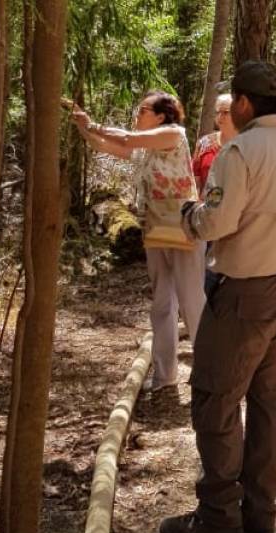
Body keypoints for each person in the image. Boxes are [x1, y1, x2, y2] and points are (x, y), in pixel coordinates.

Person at [160, 61, 276, 533]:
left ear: (246, 104)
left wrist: (191, 214)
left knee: (216, 400)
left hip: (245, 294)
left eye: (234, 101)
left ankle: (218, 519)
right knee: (272, 405)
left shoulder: (239, 151)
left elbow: (217, 224)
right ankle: (260, 518)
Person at [71, 91, 205, 392]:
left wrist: (93, 125)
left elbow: (127, 139)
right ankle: (164, 375)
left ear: (161, 115)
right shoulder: (146, 148)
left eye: (143, 110)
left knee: (192, 301)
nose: (137, 114)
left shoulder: (173, 134)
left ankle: (209, 374)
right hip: (155, 228)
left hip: (183, 228)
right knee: (162, 303)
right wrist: (83, 126)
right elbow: (106, 145)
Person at [192, 94, 238, 196]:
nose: (220, 117)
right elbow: (194, 181)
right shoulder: (204, 143)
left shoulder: (246, 145)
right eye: (218, 112)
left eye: (226, 112)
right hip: (206, 208)